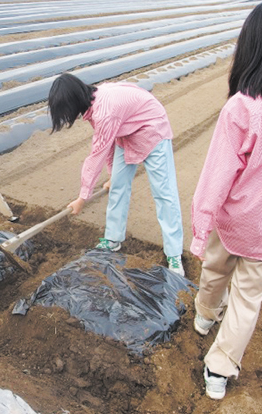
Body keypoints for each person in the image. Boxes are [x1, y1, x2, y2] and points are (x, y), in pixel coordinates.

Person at [191, 0, 262, 400]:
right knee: (248, 299)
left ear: (250, 45)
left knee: (216, 268)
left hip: (235, 218)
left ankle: (203, 318)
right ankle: (219, 371)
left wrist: (201, 228)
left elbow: (217, 176)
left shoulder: (242, 107)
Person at [47, 73, 185, 276]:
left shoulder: (105, 111)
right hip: (127, 131)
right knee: (118, 186)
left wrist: (82, 197)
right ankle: (113, 240)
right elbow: (109, 143)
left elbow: (97, 155)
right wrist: (112, 175)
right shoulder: (94, 104)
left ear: (74, 100)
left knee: (164, 193)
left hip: (152, 130)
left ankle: (174, 255)